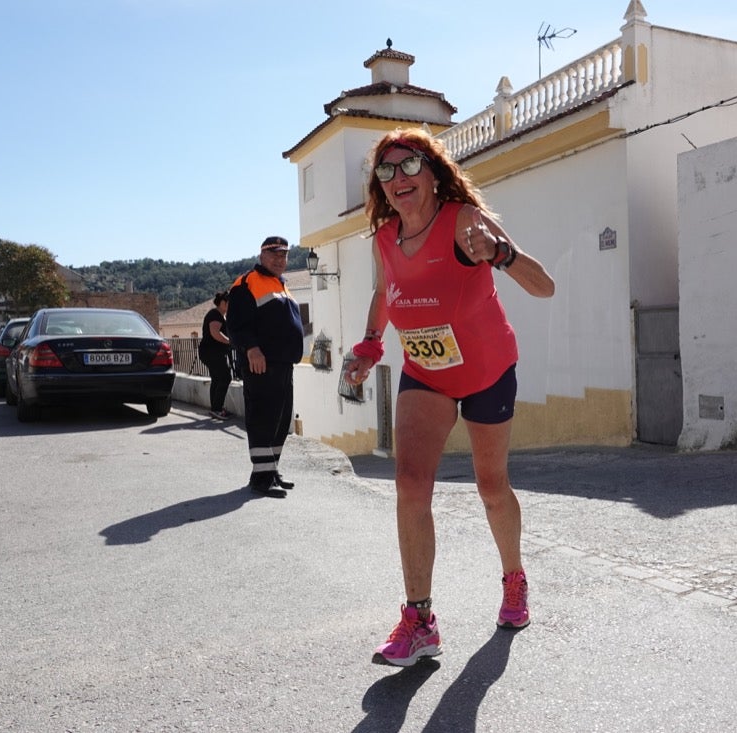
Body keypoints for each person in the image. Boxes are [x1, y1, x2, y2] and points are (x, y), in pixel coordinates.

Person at [343, 128, 555, 667]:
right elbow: (384, 292)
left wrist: (501, 253)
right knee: (411, 484)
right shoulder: (386, 239)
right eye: (385, 172)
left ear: (433, 173)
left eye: (409, 165)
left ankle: (514, 579)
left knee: (491, 485)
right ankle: (419, 621)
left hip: (486, 371)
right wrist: (369, 346)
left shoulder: (463, 220)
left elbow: (543, 285)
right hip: (427, 374)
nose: (397, 179)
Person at [226, 236, 305, 498]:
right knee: (262, 418)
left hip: (283, 364)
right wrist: (252, 348)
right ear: (261, 256)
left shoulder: (281, 285)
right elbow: (236, 324)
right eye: (273, 254)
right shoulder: (247, 282)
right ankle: (261, 479)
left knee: (280, 421)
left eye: (283, 255)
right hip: (261, 362)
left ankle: (270, 471)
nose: (279, 259)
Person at [198, 291, 233, 420]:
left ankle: (216, 408)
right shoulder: (215, 315)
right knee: (225, 377)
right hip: (212, 352)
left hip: (211, 352)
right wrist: (230, 341)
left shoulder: (220, 315)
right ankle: (217, 409)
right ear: (223, 303)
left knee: (217, 379)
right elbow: (215, 332)